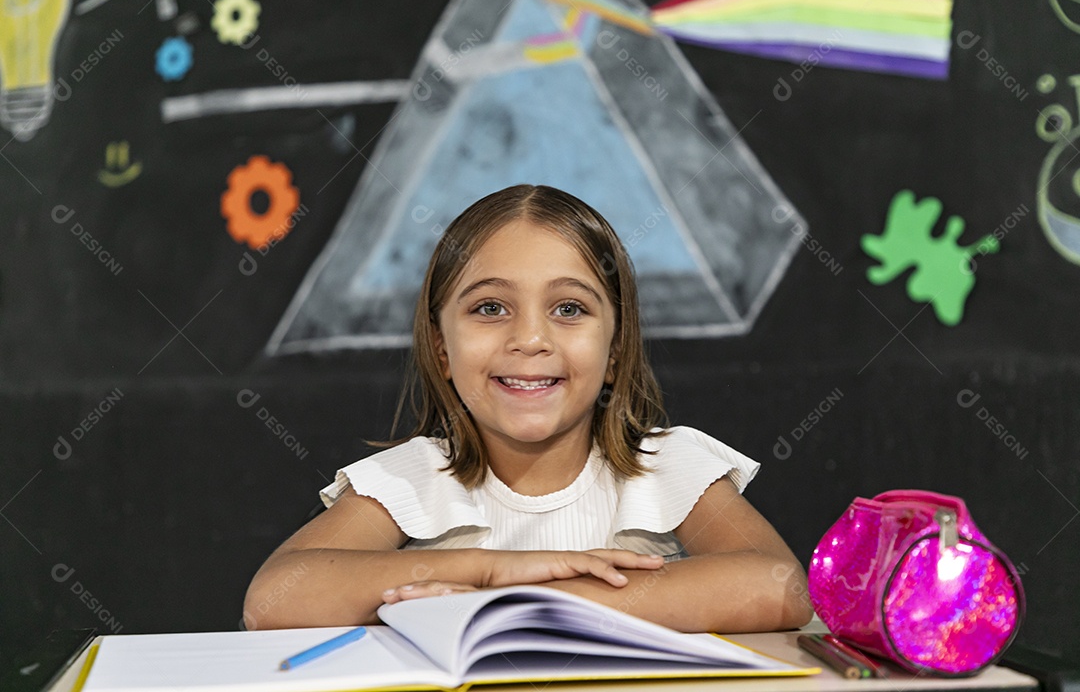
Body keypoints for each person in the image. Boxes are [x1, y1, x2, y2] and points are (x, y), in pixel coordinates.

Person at [244, 184, 811, 633]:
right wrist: (490, 569)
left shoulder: (663, 465)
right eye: (491, 307)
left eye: (569, 308)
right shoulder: (414, 478)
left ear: (614, 351)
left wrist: (519, 601)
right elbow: (274, 599)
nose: (531, 338)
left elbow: (777, 584)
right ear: (442, 348)